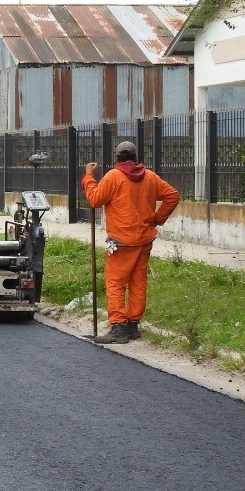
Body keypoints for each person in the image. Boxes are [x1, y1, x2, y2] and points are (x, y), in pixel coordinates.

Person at [82, 140, 181, 343]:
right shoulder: (150, 177)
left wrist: (89, 176)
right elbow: (172, 195)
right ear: (136, 157)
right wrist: (156, 218)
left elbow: (94, 200)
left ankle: (118, 327)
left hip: (121, 241)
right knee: (138, 282)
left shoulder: (113, 177)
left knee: (116, 283)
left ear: (117, 158)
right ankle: (133, 326)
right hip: (144, 240)